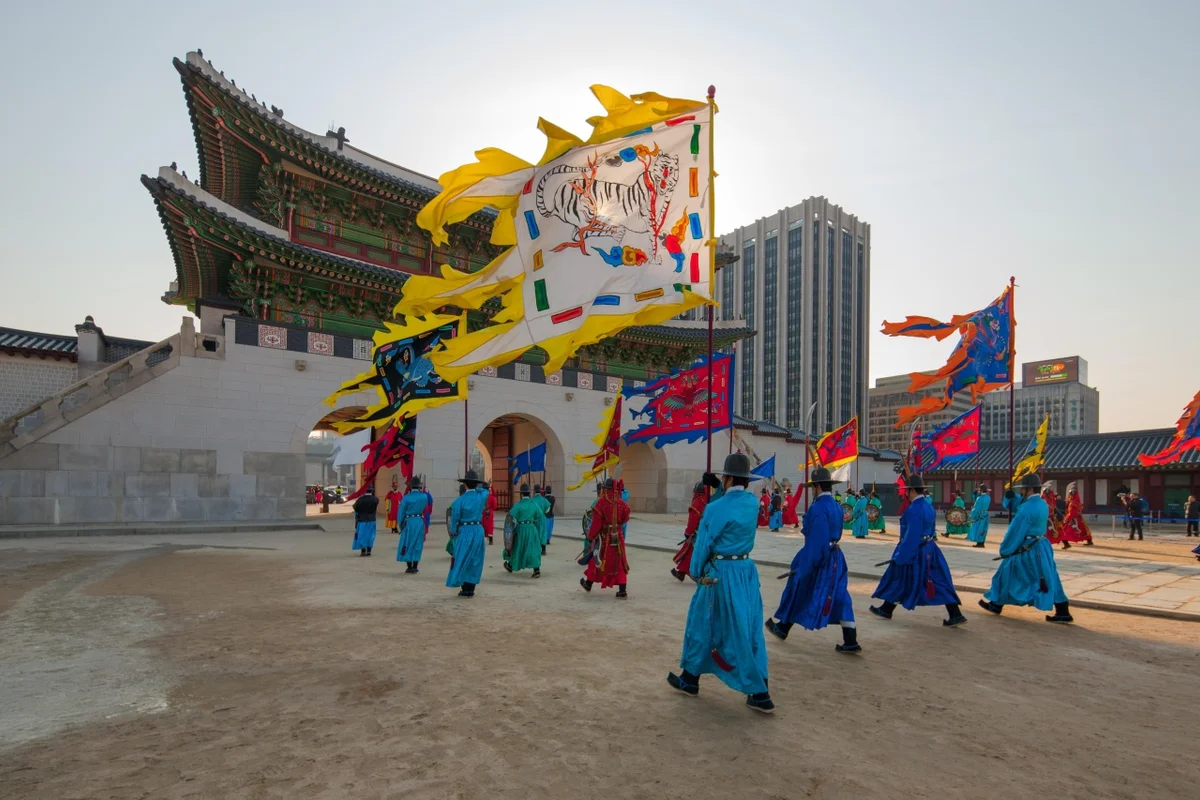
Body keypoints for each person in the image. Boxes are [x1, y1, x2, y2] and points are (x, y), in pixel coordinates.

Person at [668, 454, 774, 713]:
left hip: (720, 572)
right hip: (746, 571)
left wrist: (694, 570)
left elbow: (705, 540)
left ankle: (755, 691)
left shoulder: (714, 508)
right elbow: (728, 507)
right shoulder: (751, 502)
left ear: (726, 477)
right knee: (748, 627)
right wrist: (718, 488)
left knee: (702, 623)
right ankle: (757, 684)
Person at [765, 467, 861, 654]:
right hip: (835, 555)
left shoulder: (817, 508)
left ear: (817, 486)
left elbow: (816, 541)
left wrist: (806, 566)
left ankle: (783, 627)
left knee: (801, 587)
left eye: (812, 487)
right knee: (839, 595)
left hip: (821, 556)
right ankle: (850, 638)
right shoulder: (834, 505)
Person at [870, 475, 966, 626]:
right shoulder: (928, 505)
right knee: (937, 580)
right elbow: (932, 529)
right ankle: (887, 608)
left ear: (913, 490)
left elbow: (912, 536)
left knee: (902, 577)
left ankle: (887, 608)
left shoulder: (914, 509)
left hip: (916, 550)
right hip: (929, 548)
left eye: (907, 490)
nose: (906, 493)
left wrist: (902, 555)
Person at [978, 473, 1073, 623]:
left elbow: (1016, 529)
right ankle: (1063, 609)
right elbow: (1022, 506)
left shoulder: (1027, 509)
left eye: (1022, 489)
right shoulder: (1041, 503)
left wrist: (1006, 549)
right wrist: (1012, 498)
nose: (1021, 491)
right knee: (1049, 577)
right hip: (1041, 546)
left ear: (1027, 489)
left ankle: (996, 604)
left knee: (1006, 572)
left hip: (1028, 548)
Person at [581, 478, 631, 598]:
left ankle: (588, 583)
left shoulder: (601, 502)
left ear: (605, 488)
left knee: (597, 559)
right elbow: (626, 518)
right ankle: (622, 589)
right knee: (620, 561)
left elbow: (596, 523)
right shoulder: (621, 503)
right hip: (618, 535)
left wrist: (591, 536)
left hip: (604, 537)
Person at [446, 471, 488, 597]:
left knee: (463, 557)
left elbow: (454, 520)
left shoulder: (459, 501)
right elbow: (486, 491)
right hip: (478, 529)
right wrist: (478, 489)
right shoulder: (481, 496)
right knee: (476, 559)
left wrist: (453, 533)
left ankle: (465, 588)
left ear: (465, 485)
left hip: (464, 530)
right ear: (476, 485)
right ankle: (471, 588)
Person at [672, 478, 715, 581]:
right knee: (690, 551)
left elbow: (693, 519)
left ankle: (695, 573)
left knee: (693, 552)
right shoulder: (710, 501)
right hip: (707, 532)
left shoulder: (697, 502)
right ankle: (681, 572)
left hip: (697, 533)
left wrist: (688, 532)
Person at [504, 483, 545, 578]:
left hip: (521, 529)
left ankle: (510, 565)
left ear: (521, 494)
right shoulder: (534, 504)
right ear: (529, 493)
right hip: (531, 528)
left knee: (517, 547)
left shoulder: (517, 505)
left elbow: (510, 518)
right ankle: (536, 570)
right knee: (534, 549)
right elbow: (540, 515)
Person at [396, 476, 430, 573]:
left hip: (409, 521)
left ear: (410, 487)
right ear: (419, 487)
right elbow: (425, 509)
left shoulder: (406, 498)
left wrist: (401, 524)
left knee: (407, 542)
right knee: (417, 543)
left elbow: (401, 513)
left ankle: (409, 566)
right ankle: (415, 566)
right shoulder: (424, 497)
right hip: (419, 520)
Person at [351, 487, 379, 557]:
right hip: (372, 520)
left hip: (362, 520)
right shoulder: (375, 499)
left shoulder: (360, 499)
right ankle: (369, 551)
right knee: (370, 535)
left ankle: (363, 551)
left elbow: (355, 507)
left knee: (362, 535)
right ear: (372, 491)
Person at [532, 484, 551, 555]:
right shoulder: (544, 499)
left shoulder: (532, 500)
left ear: (534, 491)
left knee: (535, 533)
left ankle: (535, 549)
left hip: (534, 519)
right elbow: (548, 509)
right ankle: (543, 550)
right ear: (540, 491)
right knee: (543, 533)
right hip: (542, 518)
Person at [482, 481, 498, 545]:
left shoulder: (481, 497)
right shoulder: (492, 497)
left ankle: (482, 539)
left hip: (483, 512)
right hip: (490, 512)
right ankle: (491, 540)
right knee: (490, 526)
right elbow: (495, 506)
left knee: (483, 525)